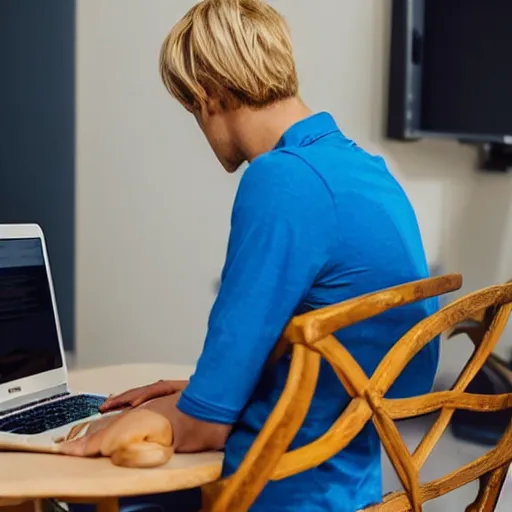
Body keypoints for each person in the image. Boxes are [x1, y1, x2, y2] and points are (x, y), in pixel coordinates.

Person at [61, 0, 440, 510]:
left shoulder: (283, 179)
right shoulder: (366, 171)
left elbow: (206, 427)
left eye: (190, 108)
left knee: (71, 496)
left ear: (207, 95)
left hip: (273, 487)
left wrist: (117, 428)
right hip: (349, 483)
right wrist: (207, 386)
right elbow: (373, 364)